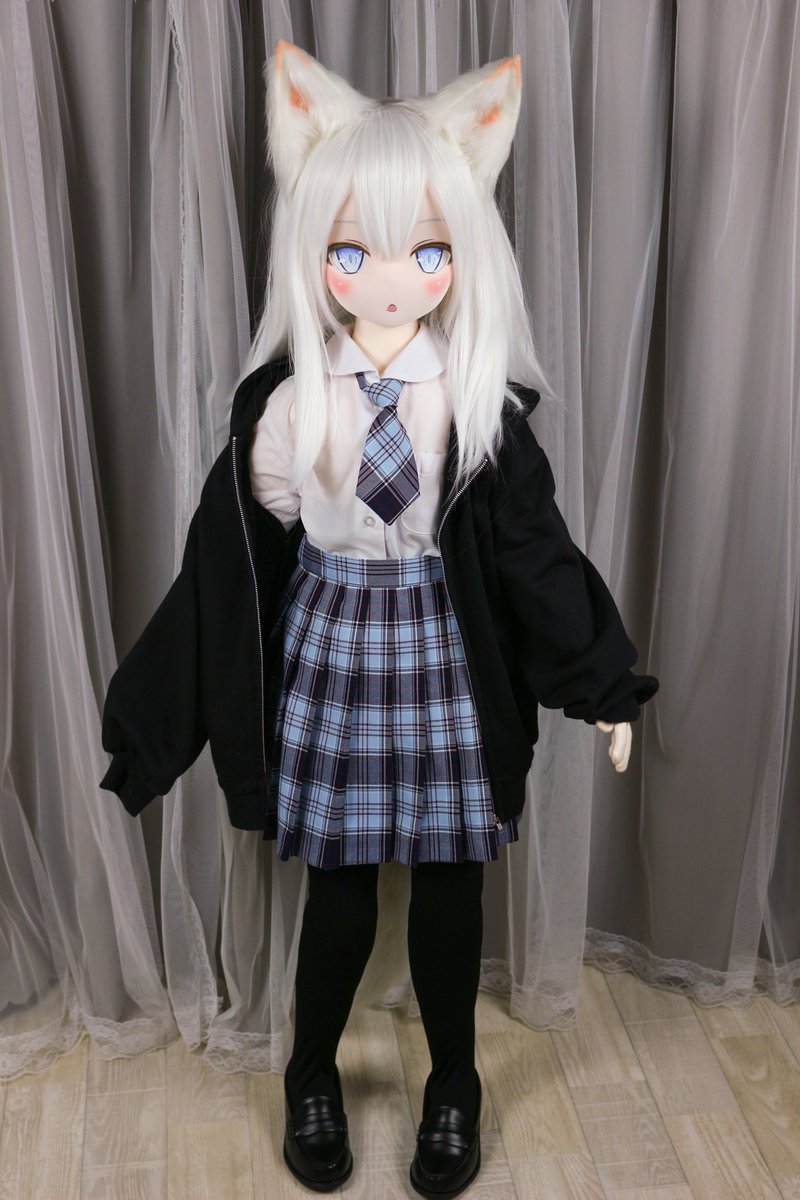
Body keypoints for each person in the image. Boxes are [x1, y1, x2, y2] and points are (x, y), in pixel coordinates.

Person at [99, 38, 659, 1200]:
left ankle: (453, 1082)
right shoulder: (287, 407)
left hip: (445, 659)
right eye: (352, 251)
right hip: (333, 652)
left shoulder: (478, 409)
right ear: (315, 255)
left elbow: (533, 558)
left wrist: (603, 682)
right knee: (341, 892)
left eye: (427, 250)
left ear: (463, 256)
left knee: (451, 888)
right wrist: (150, 723)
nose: (392, 279)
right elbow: (225, 570)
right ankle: (310, 1072)